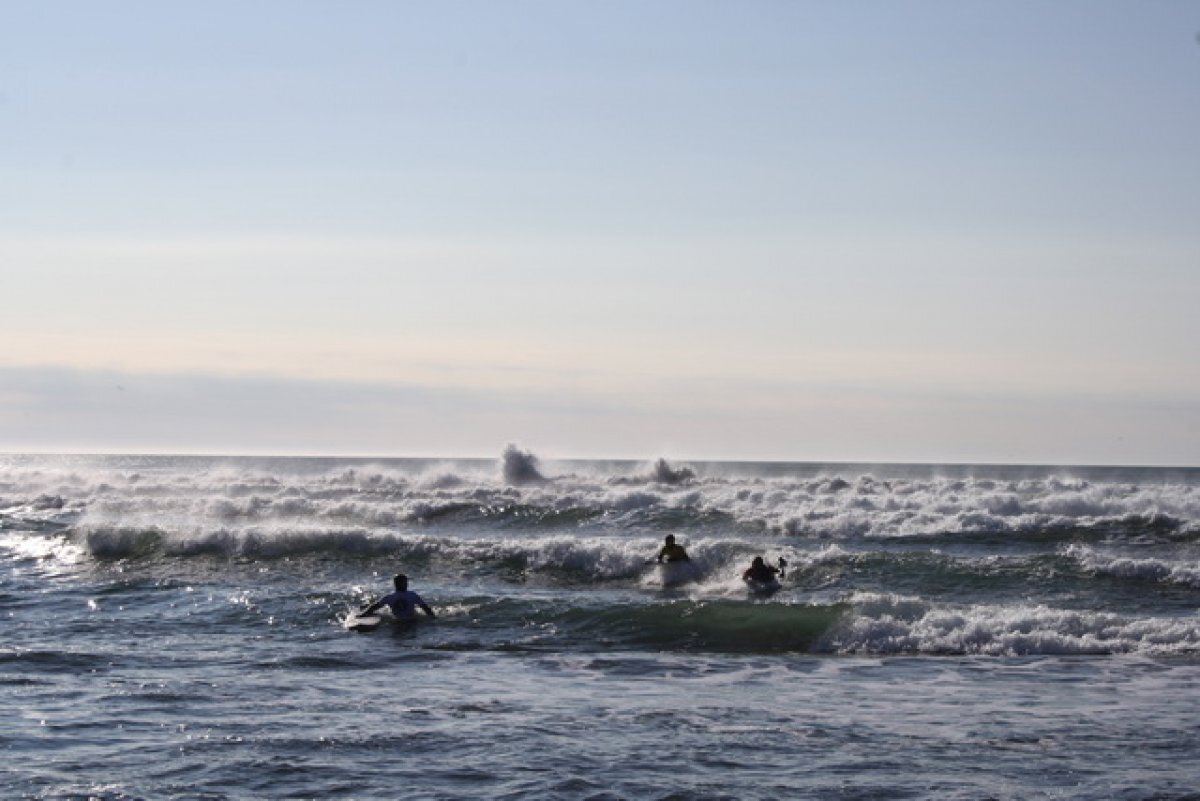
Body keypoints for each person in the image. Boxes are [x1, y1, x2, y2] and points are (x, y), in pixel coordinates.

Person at [359, 574, 436, 621]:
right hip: (411, 621)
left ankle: (364, 607)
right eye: (404, 583)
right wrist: (433, 618)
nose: (405, 584)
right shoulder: (412, 595)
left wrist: (362, 615)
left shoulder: (390, 597)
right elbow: (426, 609)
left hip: (400, 621)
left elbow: (373, 607)